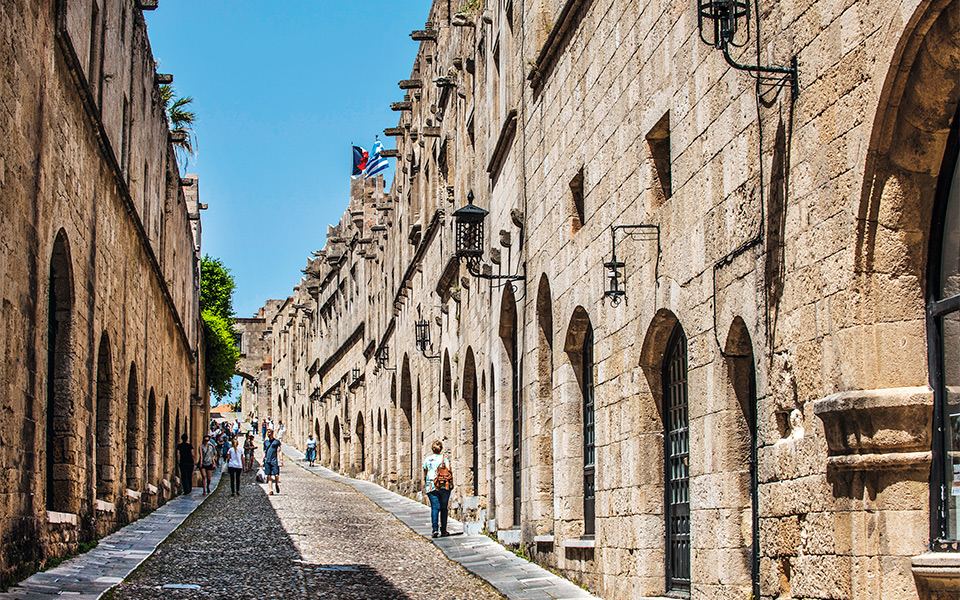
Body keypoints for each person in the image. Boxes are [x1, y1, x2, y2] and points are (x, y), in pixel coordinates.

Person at [423, 440, 453, 538]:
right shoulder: (445, 458)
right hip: (443, 485)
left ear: (432, 449)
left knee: (435, 508)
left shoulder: (427, 460)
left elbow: (425, 472)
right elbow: (448, 470)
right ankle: (443, 530)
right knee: (444, 508)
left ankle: (435, 530)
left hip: (431, 486)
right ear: (441, 448)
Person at [263, 429, 282, 495]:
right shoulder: (265, 442)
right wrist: (262, 460)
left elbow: (279, 450)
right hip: (267, 460)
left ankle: (276, 484)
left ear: (272, 433)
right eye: (267, 432)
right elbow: (264, 451)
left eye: (269, 432)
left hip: (274, 460)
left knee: (276, 475)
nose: (268, 434)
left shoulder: (276, 441)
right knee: (269, 476)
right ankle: (271, 490)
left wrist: (281, 459)